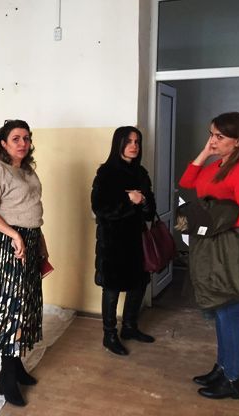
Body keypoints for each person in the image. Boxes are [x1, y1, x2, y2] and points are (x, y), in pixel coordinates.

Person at [179, 112, 239, 400]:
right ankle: (222, 367)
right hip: (216, 245)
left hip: (234, 247)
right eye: (211, 134)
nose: (213, 140)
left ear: (238, 141)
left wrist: (210, 222)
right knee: (220, 310)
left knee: (229, 311)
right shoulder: (219, 164)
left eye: (219, 136)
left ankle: (232, 380)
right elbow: (187, 181)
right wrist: (205, 152)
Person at [0, 119, 49, 407]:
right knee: (12, 308)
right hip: (7, 245)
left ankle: (16, 366)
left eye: (26, 138)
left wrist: (39, 241)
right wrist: (15, 235)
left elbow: (31, 209)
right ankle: (7, 377)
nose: (23, 143)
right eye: (16, 138)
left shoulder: (27, 170)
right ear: (3, 143)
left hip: (29, 240)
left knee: (26, 304)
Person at [91, 126, 157, 356]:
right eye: (128, 141)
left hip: (137, 240)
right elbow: (99, 207)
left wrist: (143, 201)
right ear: (118, 143)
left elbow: (150, 210)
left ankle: (130, 327)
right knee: (112, 288)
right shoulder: (106, 173)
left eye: (137, 142)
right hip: (113, 242)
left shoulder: (141, 173)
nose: (133, 146)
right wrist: (128, 199)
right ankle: (109, 335)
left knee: (139, 284)